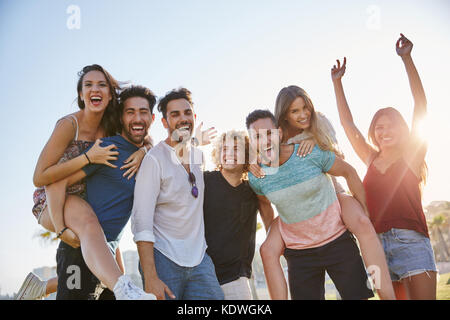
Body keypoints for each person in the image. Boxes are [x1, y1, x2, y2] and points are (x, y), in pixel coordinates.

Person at [16, 81, 157, 300]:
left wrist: (146, 150)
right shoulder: (108, 148)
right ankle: (41, 288)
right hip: (77, 251)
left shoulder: (151, 156)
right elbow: (54, 181)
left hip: (108, 252)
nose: (137, 118)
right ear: (121, 117)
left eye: (143, 112)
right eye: (130, 112)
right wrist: (62, 230)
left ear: (152, 118)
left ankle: (41, 288)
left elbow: (170, 147)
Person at [253, 86, 395, 300]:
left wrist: (314, 140)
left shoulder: (319, 124)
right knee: (267, 249)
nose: (303, 115)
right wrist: (252, 163)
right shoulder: (276, 139)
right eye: (294, 111)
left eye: (305, 108)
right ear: (284, 116)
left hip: (332, 191)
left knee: (364, 224)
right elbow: (264, 160)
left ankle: (387, 295)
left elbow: (339, 158)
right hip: (295, 209)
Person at [330, 34, 437, 300]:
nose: (384, 130)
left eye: (390, 125)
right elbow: (348, 125)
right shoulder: (370, 158)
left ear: (402, 129)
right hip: (376, 247)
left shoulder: (412, 155)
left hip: (411, 242)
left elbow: (421, 105)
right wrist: (337, 84)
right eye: (379, 127)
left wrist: (407, 59)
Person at [131, 87, 224, 300]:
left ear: (194, 117)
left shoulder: (199, 157)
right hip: (163, 258)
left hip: (200, 259)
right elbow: (141, 221)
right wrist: (150, 277)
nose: (183, 119)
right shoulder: (154, 160)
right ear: (164, 123)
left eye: (187, 113)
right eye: (175, 115)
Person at [204, 130, 274, 300]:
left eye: (236, 149)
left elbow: (267, 207)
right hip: (203, 275)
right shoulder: (205, 180)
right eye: (224, 149)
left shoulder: (253, 189)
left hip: (236, 277)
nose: (229, 153)